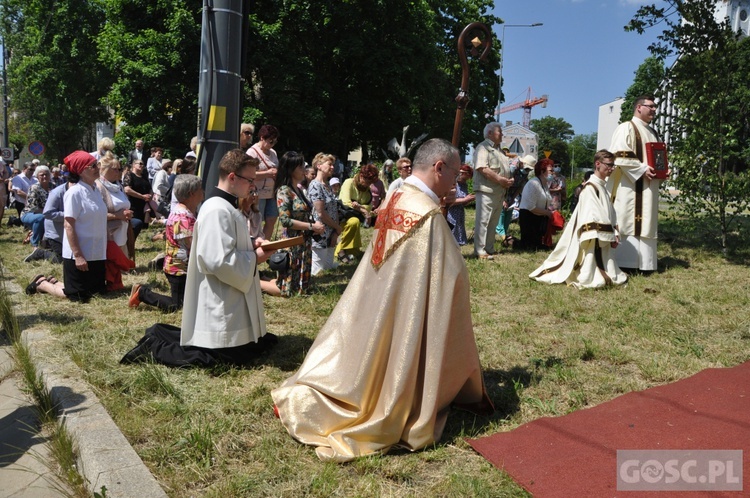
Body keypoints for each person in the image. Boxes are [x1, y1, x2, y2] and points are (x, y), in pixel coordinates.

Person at [271, 138, 493, 463]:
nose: (458, 183)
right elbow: (449, 275)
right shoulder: (427, 216)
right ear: (439, 168)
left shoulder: (398, 196)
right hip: (404, 310)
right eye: (455, 174)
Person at [529, 150, 628, 289]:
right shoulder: (590, 188)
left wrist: (614, 231)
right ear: (597, 164)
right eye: (609, 165)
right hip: (593, 237)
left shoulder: (602, 187)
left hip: (604, 237)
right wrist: (610, 233)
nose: (611, 168)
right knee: (591, 275)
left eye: (613, 165)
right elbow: (592, 216)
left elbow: (609, 212)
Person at [27, 151, 107, 301]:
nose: (98, 168)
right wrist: (78, 255)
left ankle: (55, 282)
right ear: (81, 171)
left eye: (98, 164)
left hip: (96, 253)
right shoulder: (74, 193)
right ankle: (42, 284)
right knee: (77, 296)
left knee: (96, 292)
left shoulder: (95, 190)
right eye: (93, 166)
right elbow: (68, 225)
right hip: (80, 253)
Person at [129, 175, 203, 311]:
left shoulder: (182, 212)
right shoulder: (183, 217)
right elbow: (191, 245)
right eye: (200, 189)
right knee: (177, 305)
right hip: (178, 269)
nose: (203, 192)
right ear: (191, 194)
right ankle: (142, 293)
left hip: (179, 266)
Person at [608, 94, 665, 272]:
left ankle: (646, 264)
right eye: (651, 106)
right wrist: (641, 169)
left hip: (649, 186)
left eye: (655, 106)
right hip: (631, 186)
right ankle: (626, 263)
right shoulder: (627, 127)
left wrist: (662, 170)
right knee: (628, 219)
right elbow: (618, 153)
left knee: (647, 221)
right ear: (639, 107)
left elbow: (657, 158)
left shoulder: (653, 132)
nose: (654, 110)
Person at [274, 152, 325, 297]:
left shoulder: (298, 189)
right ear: (290, 169)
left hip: (303, 241)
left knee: (299, 289)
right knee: (287, 290)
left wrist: (313, 225)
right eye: (301, 166)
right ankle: (261, 283)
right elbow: (285, 221)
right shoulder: (284, 190)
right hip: (292, 242)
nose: (305, 169)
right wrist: (311, 226)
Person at [472, 122, 513, 260]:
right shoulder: (483, 147)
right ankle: (480, 250)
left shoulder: (500, 151)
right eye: (499, 131)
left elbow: (503, 170)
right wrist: (500, 180)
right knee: (483, 221)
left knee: (493, 222)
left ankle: (489, 248)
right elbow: (482, 168)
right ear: (490, 133)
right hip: (486, 191)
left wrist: (508, 180)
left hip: (498, 191)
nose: (502, 134)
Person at [94, 153, 135, 290]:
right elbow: (96, 214)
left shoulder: (118, 186)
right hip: (108, 231)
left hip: (122, 229)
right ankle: (111, 284)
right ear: (104, 170)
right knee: (111, 260)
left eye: (119, 169)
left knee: (117, 260)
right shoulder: (98, 187)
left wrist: (126, 215)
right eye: (115, 169)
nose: (118, 172)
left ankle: (116, 284)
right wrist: (119, 216)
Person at [308, 153, 343, 275]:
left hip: (331, 233)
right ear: (319, 166)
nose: (333, 167)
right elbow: (320, 213)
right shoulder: (315, 185)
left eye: (333, 165)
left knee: (328, 268)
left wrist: (336, 232)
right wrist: (337, 227)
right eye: (329, 164)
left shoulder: (327, 186)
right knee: (318, 271)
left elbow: (334, 209)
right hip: (320, 234)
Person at [335, 163, 378, 263]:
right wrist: (362, 209)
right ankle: (339, 251)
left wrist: (358, 206)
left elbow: (369, 206)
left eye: (370, 183)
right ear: (362, 176)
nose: (368, 185)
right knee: (354, 222)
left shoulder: (367, 190)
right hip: (341, 216)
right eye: (367, 182)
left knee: (355, 221)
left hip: (355, 216)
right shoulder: (349, 182)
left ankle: (349, 250)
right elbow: (345, 202)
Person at [246, 124, 280, 240]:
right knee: (256, 222)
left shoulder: (273, 153)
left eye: (275, 142)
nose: (272, 144)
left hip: (272, 193)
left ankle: (266, 245)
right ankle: (255, 245)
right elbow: (248, 174)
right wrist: (268, 173)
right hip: (257, 194)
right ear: (262, 137)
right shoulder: (252, 153)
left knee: (272, 219)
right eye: (270, 141)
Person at [496, 154, 536, 247]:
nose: (527, 171)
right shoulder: (512, 168)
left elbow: (520, 187)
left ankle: (504, 236)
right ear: (522, 163)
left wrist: (512, 199)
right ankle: (503, 236)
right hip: (502, 193)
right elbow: (504, 183)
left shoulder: (524, 174)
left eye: (529, 170)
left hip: (511, 195)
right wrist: (504, 199)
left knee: (508, 215)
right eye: (527, 169)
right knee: (501, 215)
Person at [517, 158, 555, 251]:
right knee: (530, 247)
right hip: (529, 218)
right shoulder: (533, 183)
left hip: (539, 219)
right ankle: (510, 241)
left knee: (541, 246)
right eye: (551, 171)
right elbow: (531, 207)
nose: (553, 173)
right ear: (542, 171)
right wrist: (547, 213)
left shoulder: (545, 184)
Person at [21, 166, 52, 261]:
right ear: (37, 177)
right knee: (41, 218)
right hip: (30, 214)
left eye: (46, 174)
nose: (44, 176)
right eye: (41, 175)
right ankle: (35, 243)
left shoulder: (54, 186)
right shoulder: (34, 188)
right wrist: (50, 213)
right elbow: (33, 207)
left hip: (49, 213)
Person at [123, 158, 153, 240]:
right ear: (133, 165)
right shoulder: (129, 175)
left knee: (140, 226)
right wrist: (142, 196)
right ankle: (129, 243)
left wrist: (150, 196)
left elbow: (150, 188)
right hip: (133, 204)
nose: (141, 165)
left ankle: (132, 244)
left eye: (142, 164)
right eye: (139, 163)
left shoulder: (144, 176)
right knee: (133, 226)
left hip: (143, 205)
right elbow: (127, 189)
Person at [447, 164, 475, 246]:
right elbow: (449, 201)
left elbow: (463, 202)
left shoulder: (464, 185)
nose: (466, 178)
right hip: (450, 213)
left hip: (459, 212)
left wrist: (469, 199)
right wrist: (465, 199)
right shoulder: (453, 184)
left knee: (459, 228)